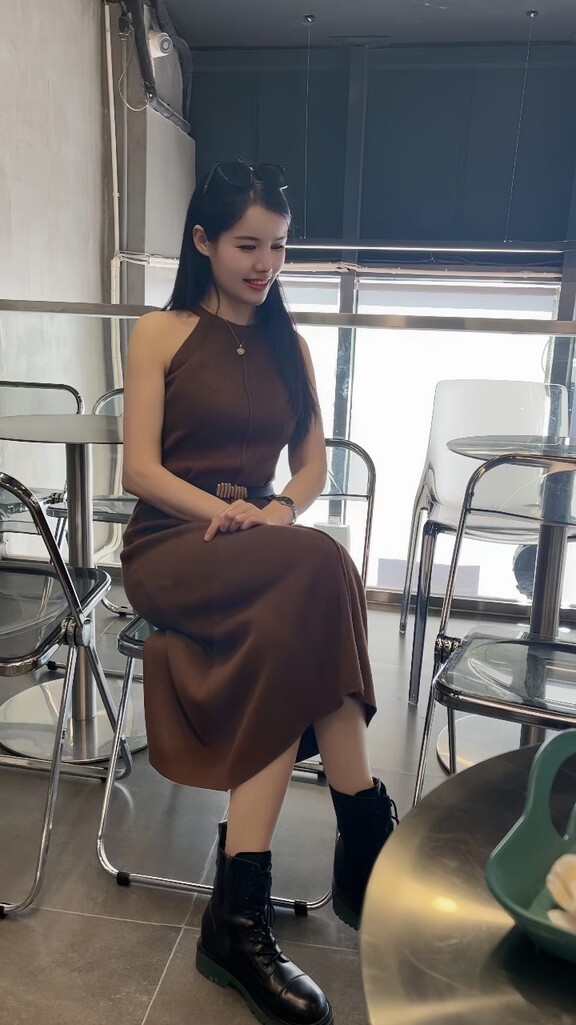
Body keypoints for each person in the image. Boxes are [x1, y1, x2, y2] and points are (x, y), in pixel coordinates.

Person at [121, 159, 398, 1025]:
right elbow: (139, 470)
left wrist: (276, 510)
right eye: (248, 245)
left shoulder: (291, 344)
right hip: (174, 543)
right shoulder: (159, 332)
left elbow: (312, 466)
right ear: (202, 241)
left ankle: (237, 918)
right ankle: (365, 832)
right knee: (322, 567)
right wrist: (230, 515)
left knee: (305, 587)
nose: (265, 264)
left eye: (278, 246)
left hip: (261, 545)